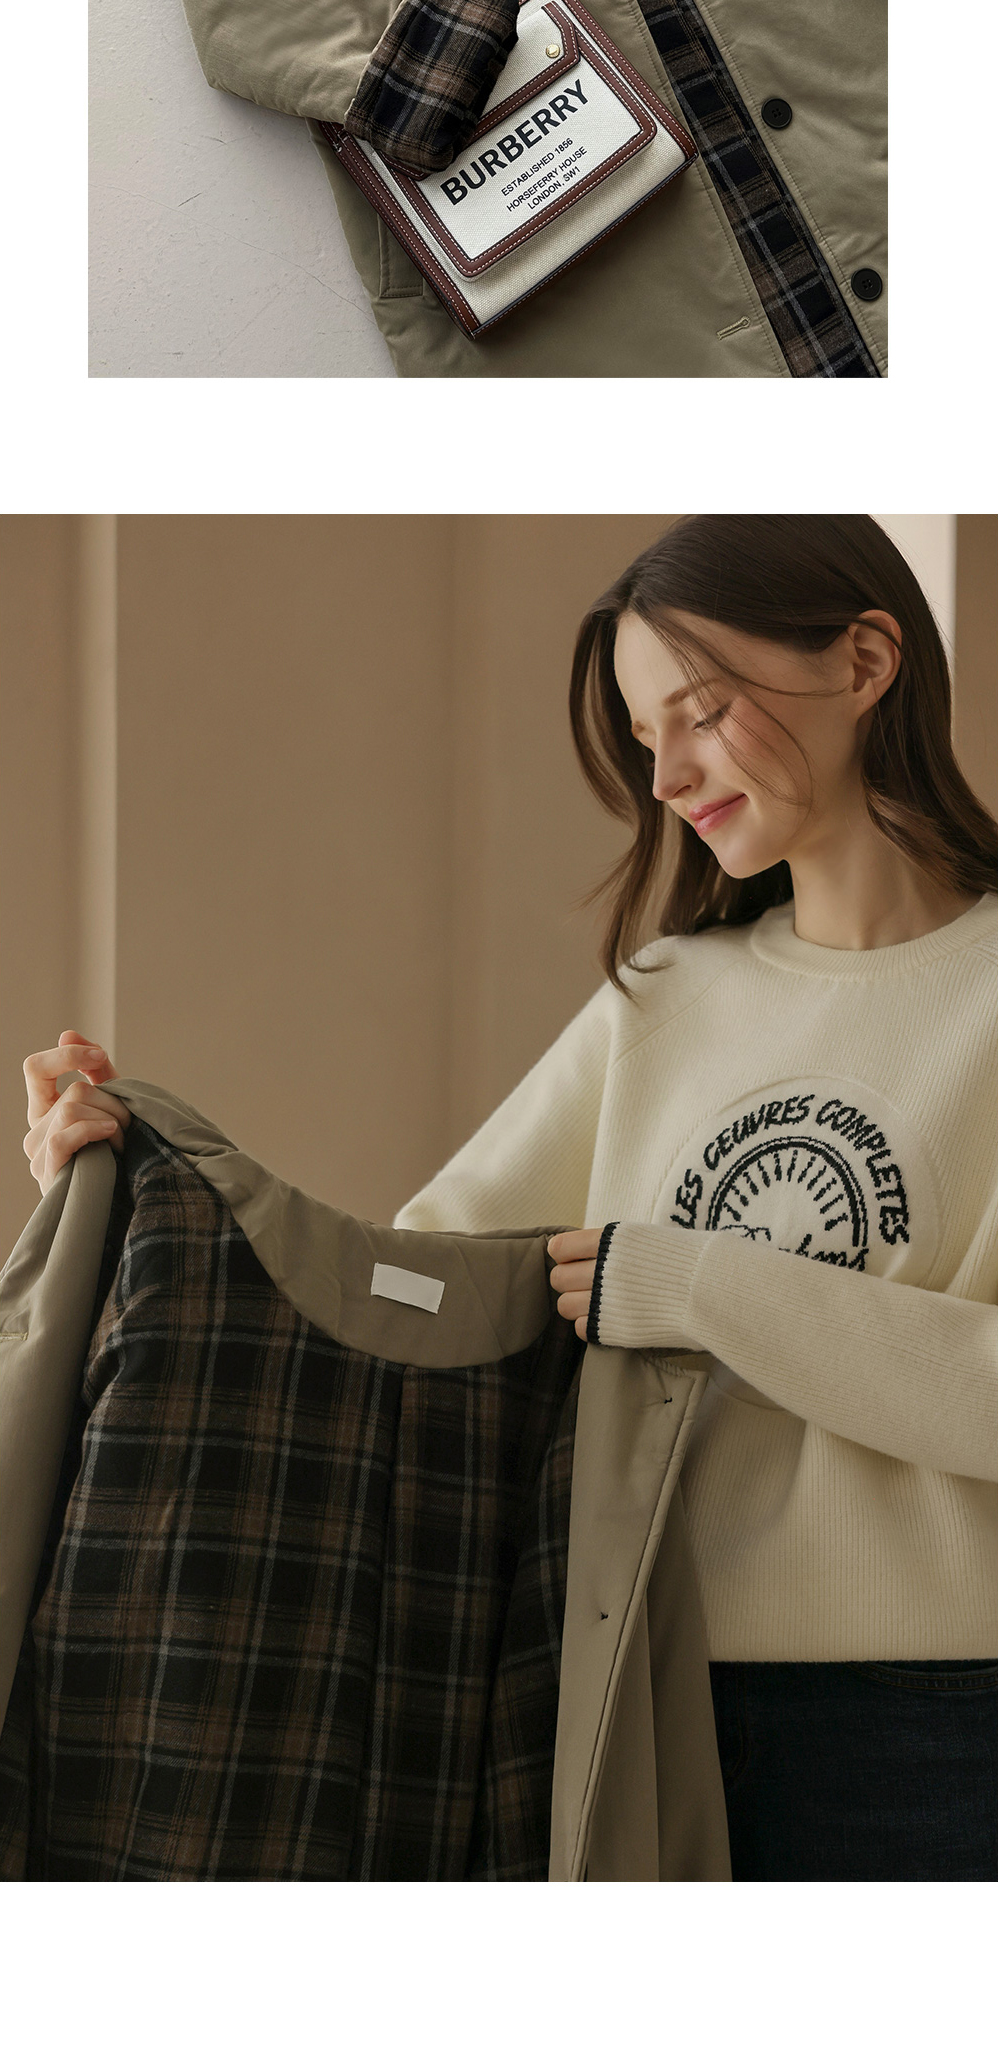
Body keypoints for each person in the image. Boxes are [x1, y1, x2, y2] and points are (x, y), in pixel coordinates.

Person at [24, 516, 995, 1879]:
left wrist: (694, 1284)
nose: (666, 777)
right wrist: (137, 1191)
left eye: (702, 712)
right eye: (644, 738)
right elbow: (410, 1293)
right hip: (639, 1701)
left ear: (865, 661)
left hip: (941, 1725)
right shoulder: (664, 1001)